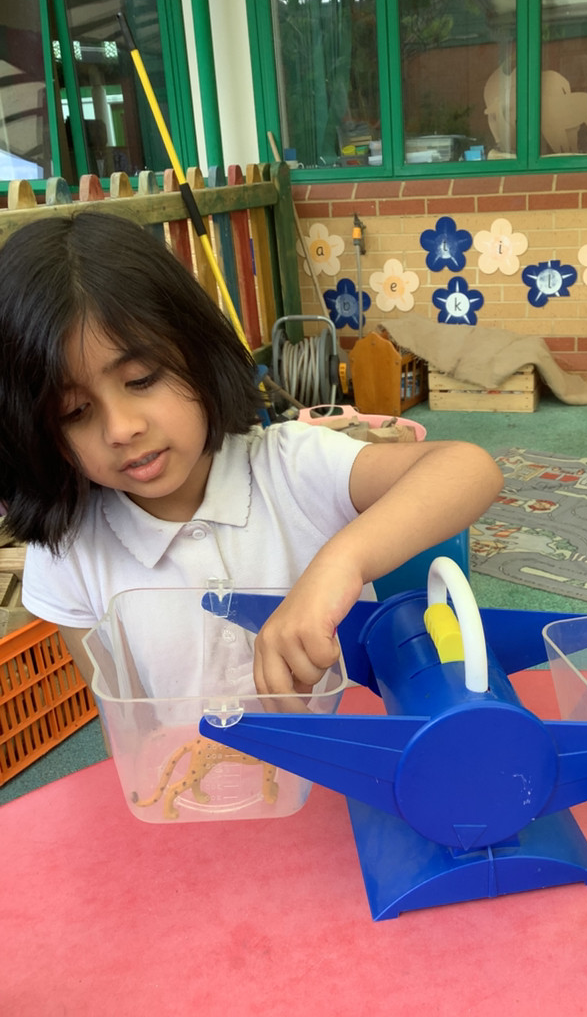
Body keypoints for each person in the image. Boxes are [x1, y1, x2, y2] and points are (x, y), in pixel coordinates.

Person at [0, 211, 502, 698]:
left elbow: (467, 469)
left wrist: (340, 563)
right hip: (192, 759)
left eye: (142, 379)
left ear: (199, 352)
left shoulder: (292, 465)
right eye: (74, 411)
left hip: (349, 750)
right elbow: (124, 718)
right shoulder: (67, 552)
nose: (121, 428)